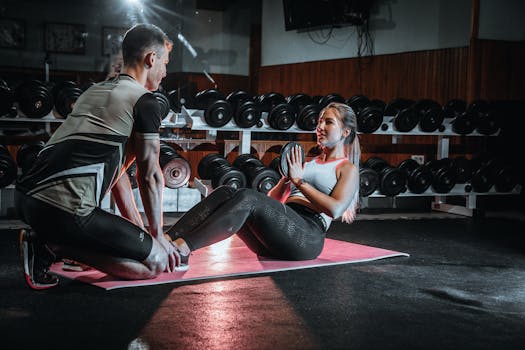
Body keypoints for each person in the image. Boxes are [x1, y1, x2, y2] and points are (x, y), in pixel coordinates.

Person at [15, 23, 179, 290]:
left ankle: (48, 240)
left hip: (26, 199)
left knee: (139, 249)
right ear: (152, 58)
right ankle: (52, 246)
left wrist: (142, 235)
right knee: (154, 263)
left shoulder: (94, 92)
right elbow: (149, 175)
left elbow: (119, 175)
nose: (165, 72)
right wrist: (158, 236)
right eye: (165, 62)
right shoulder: (145, 102)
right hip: (66, 212)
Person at [165, 102, 361, 266]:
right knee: (226, 191)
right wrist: (286, 179)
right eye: (319, 121)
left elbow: (335, 210)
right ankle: (167, 240)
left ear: (345, 131)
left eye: (328, 122)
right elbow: (273, 201)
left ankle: (184, 247)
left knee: (248, 196)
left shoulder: (347, 169)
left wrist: (299, 181)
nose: (319, 126)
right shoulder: (307, 163)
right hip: (276, 234)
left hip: (306, 237)